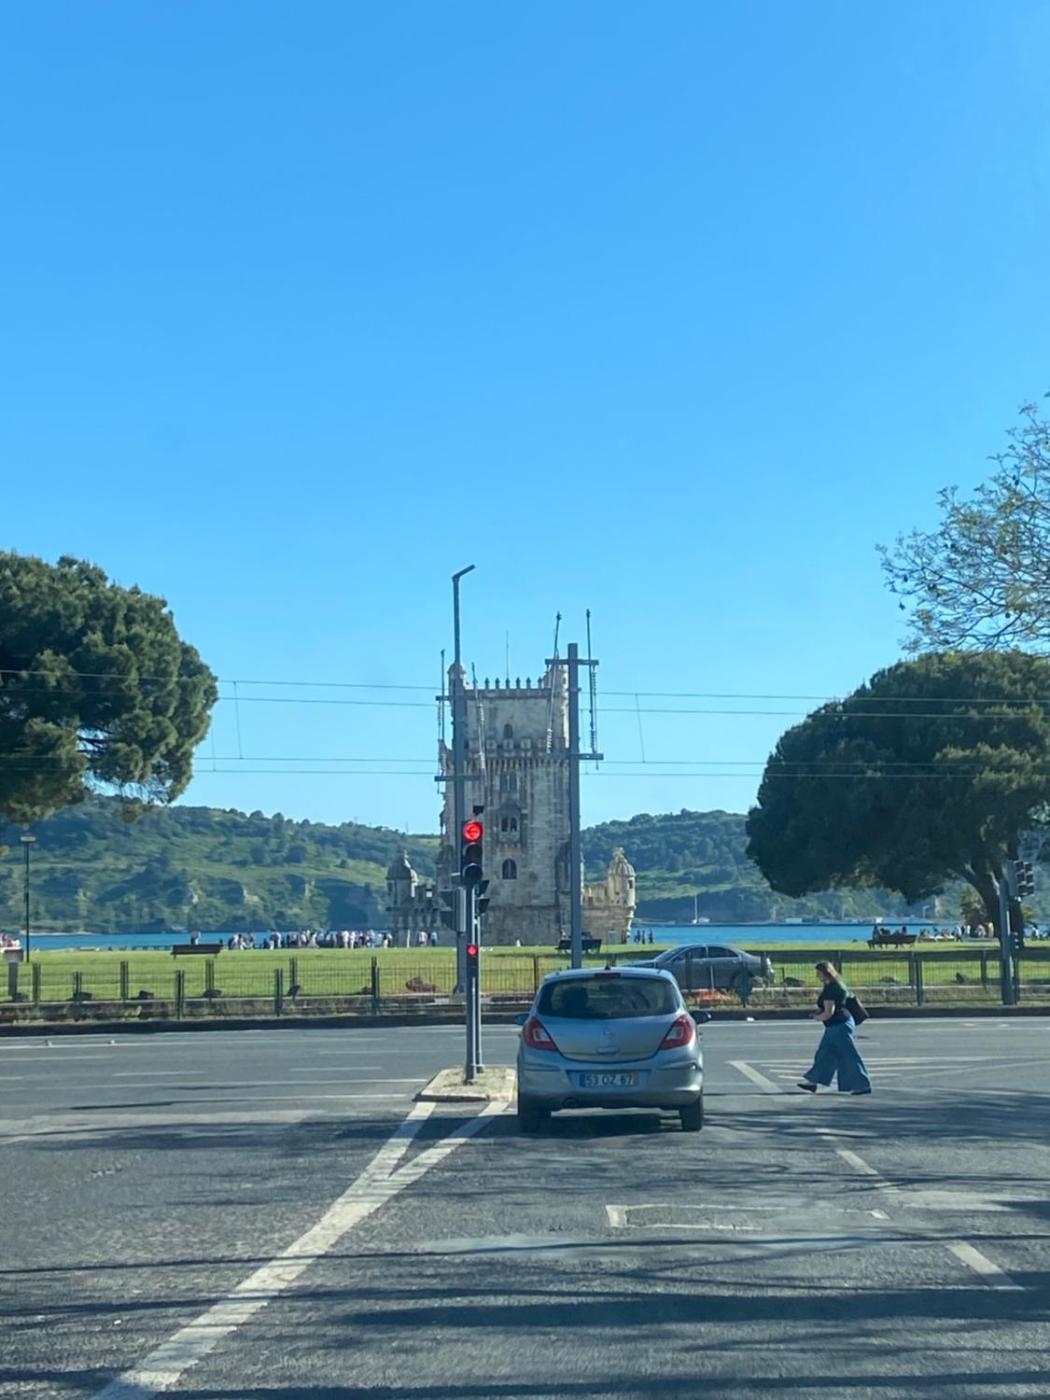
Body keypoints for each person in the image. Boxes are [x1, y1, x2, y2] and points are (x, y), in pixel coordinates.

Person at [797, 961, 871, 1095]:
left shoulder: (831, 989)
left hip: (839, 1026)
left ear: (826, 973)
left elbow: (828, 1013)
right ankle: (813, 1082)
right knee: (825, 1054)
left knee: (848, 1055)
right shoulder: (837, 984)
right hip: (840, 1024)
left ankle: (862, 1085)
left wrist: (816, 1017)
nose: (817, 976)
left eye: (819, 973)